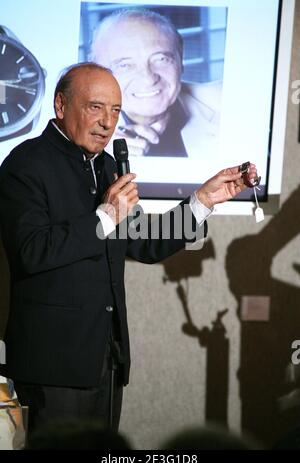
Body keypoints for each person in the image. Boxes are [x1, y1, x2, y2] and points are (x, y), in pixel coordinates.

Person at [0, 62, 257, 436]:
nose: (108, 122)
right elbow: (31, 251)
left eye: (116, 111)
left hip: (106, 361)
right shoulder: (25, 164)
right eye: (95, 107)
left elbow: (146, 244)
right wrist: (104, 217)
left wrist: (202, 201)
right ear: (60, 105)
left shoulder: (107, 167)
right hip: (52, 367)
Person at [89, 8, 222, 159]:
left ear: (181, 61)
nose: (148, 79)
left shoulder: (227, 104)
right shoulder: (74, 136)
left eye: (161, 59)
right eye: (125, 65)